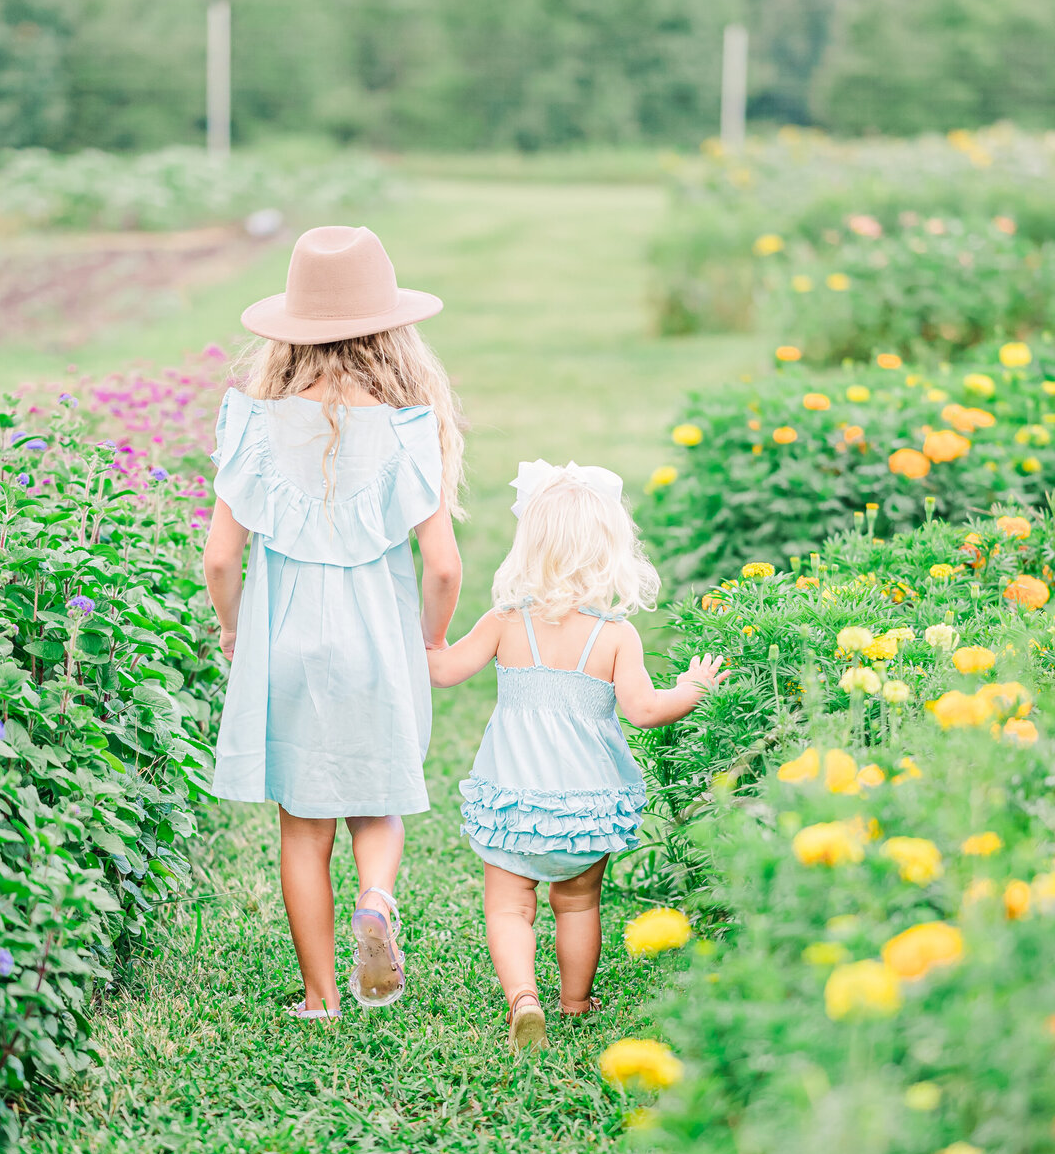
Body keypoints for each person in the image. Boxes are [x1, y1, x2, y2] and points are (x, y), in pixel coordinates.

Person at [203, 225, 464, 1020]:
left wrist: (233, 627)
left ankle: (320, 998)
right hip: (376, 642)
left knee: (302, 827)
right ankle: (377, 900)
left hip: (285, 641)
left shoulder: (252, 420)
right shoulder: (409, 425)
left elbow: (219, 558)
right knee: (378, 795)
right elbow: (445, 565)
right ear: (390, 330)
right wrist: (430, 638)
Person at [427, 461, 728, 1048]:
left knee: (510, 908)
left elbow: (442, 671)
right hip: (586, 806)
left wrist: (427, 637)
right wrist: (690, 691)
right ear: (612, 551)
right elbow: (643, 710)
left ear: (528, 546)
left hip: (514, 800)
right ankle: (574, 1000)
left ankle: (523, 998)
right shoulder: (616, 634)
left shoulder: (504, 622)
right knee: (578, 904)